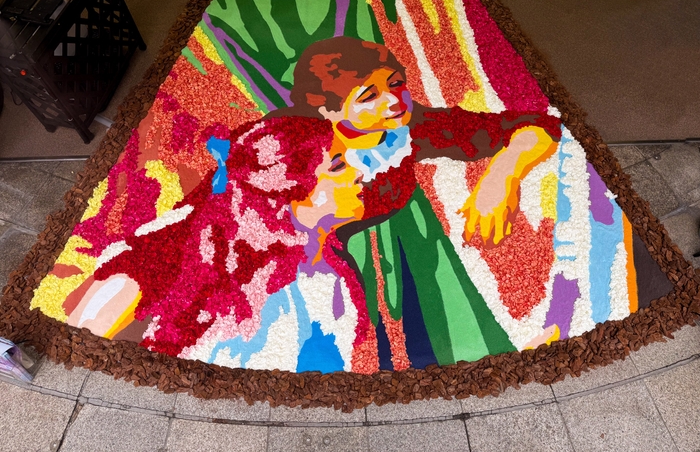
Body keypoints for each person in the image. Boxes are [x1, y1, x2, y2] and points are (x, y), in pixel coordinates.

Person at [270, 36, 562, 370]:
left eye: (396, 84)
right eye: (369, 96)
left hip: (397, 259)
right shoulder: (289, 137)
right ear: (329, 109)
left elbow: (537, 127)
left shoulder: (410, 127)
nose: (393, 100)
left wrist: (502, 176)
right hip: (309, 263)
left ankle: (492, 351)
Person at [65, 116, 371, 373]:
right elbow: (81, 334)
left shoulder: (326, 270)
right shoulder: (174, 251)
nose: (359, 174)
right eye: (337, 166)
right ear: (286, 191)